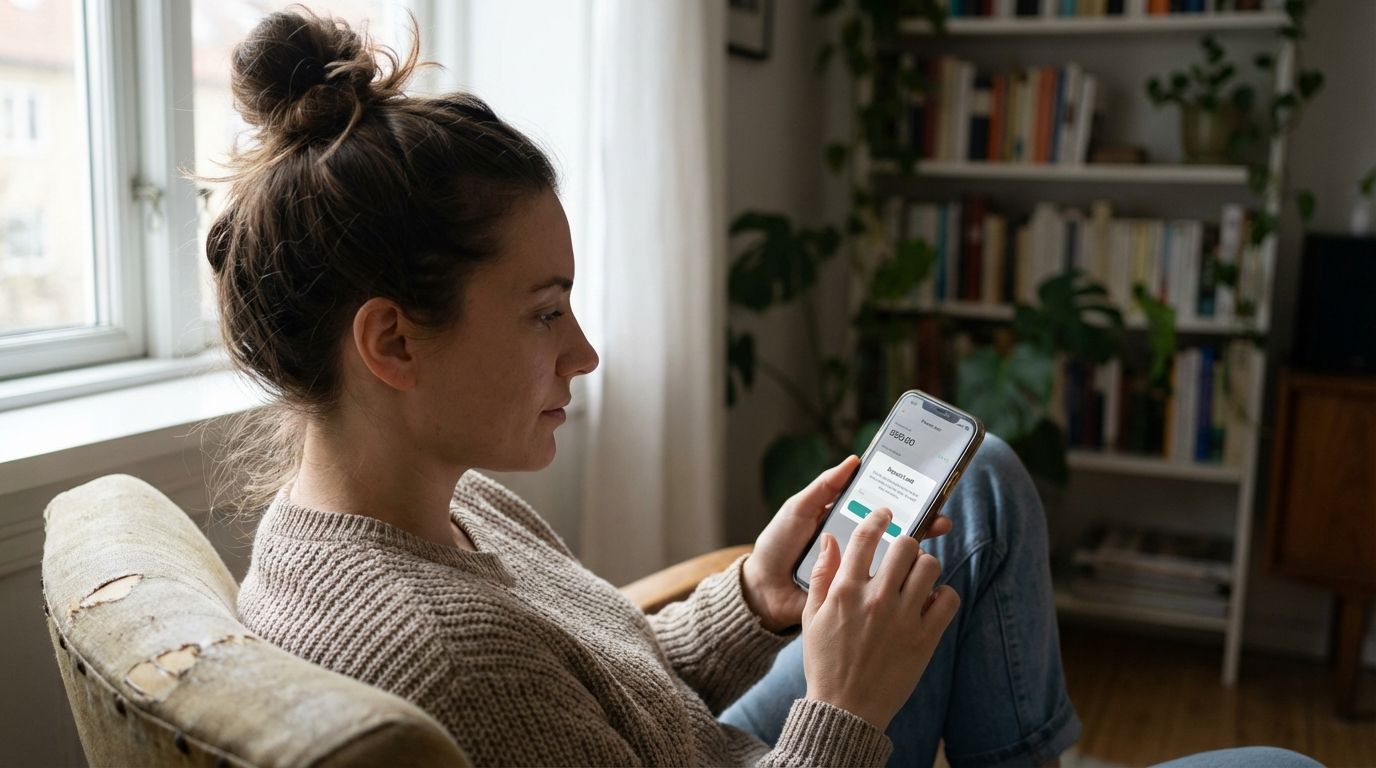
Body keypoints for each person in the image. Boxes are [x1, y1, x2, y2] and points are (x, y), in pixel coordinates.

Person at [215, 9, 1320, 768]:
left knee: (967, 479)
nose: (584, 350)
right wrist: (840, 706)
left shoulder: (417, 505)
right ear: (392, 344)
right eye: (544, 309)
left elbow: (621, 686)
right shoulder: (443, 657)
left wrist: (752, 595)